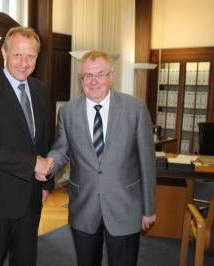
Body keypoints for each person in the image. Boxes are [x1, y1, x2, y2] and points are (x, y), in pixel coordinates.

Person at [48, 50, 156, 266]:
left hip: (124, 207)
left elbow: (147, 161)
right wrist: (48, 164)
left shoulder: (135, 108)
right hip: (84, 207)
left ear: (111, 76)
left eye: (100, 74)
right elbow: (61, 150)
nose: (94, 81)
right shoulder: (67, 112)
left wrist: (149, 208)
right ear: (81, 79)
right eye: (88, 75)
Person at [0, 26, 54, 266]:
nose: (24, 63)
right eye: (17, 54)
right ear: (4, 53)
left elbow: (43, 140)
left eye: (31, 56)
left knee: (26, 259)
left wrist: (46, 181)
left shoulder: (40, 90)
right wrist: (32, 164)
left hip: (31, 196)